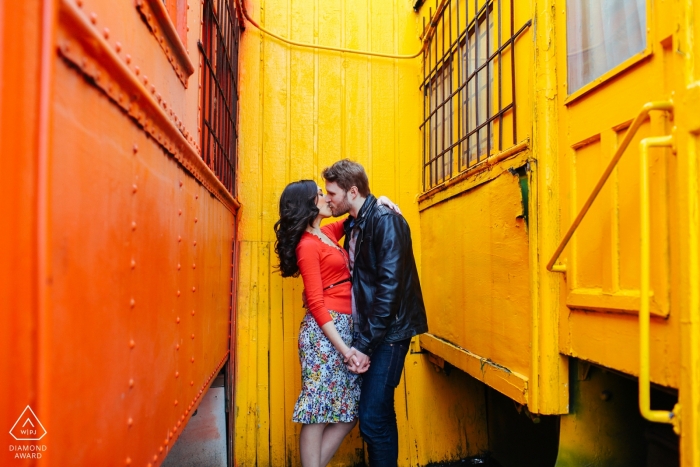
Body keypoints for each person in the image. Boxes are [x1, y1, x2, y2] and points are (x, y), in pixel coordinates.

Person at [273, 180, 398, 467]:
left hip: (345, 327)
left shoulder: (326, 233)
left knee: (349, 413)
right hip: (324, 334)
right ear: (308, 203)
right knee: (317, 411)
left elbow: (358, 211)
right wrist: (345, 350)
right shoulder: (307, 245)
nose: (327, 198)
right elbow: (316, 303)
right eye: (320, 194)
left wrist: (381, 201)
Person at [321, 159, 428, 467]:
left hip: (390, 333)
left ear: (352, 191)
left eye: (332, 193)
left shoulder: (385, 221)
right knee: (378, 414)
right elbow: (312, 232)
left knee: (371, 418)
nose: (328, 198)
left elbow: (389, 291)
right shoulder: (355, 223)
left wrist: (364, 346)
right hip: (371, 330)